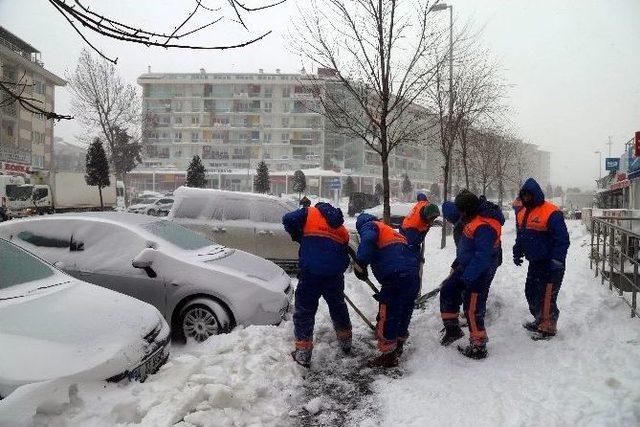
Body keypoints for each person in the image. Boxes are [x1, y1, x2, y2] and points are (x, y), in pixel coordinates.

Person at [282, 201, 352, 368]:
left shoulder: (309, 213)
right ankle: (346, 341)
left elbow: (287, 219)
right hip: (333, 276)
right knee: (338, 307)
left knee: (305, 310)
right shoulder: (342, 229)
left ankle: (303, 353)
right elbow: (344, 254)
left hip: (311, 273)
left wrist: (298, 235)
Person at [439, 191, 504, 359]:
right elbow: (469, 247)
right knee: (448, 289)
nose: (459, 214)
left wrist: (468, 277)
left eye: (460, 210)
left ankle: (478, 345)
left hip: (480, 271)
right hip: (468, 266)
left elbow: (483, 256)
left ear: (467, 209)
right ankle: (452, 329)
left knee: (473, 306)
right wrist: (459, 264)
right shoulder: (473, 218)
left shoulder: (484, 225)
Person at [354, 213, 420, 368]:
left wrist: (361, 263)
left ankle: (388, 355)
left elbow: (368, 240)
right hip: (412, 276)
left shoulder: (370, 226)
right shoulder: (391, 231)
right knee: (404, 311)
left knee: (389, 313)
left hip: (395, 276)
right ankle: (399, 346)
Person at [513, 178, 570, 340]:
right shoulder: (523, 212)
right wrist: (517, 251)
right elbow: (521, 236)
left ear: (536, 194)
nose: (526, 198)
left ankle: (548, 326)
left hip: (551, 263)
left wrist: (557, 260)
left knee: (547, 296)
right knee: (531, 292)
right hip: (535, 262)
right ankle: (539, 319)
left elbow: (562, 239)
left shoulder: (551, 212)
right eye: (523, 195)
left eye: (529, 195)